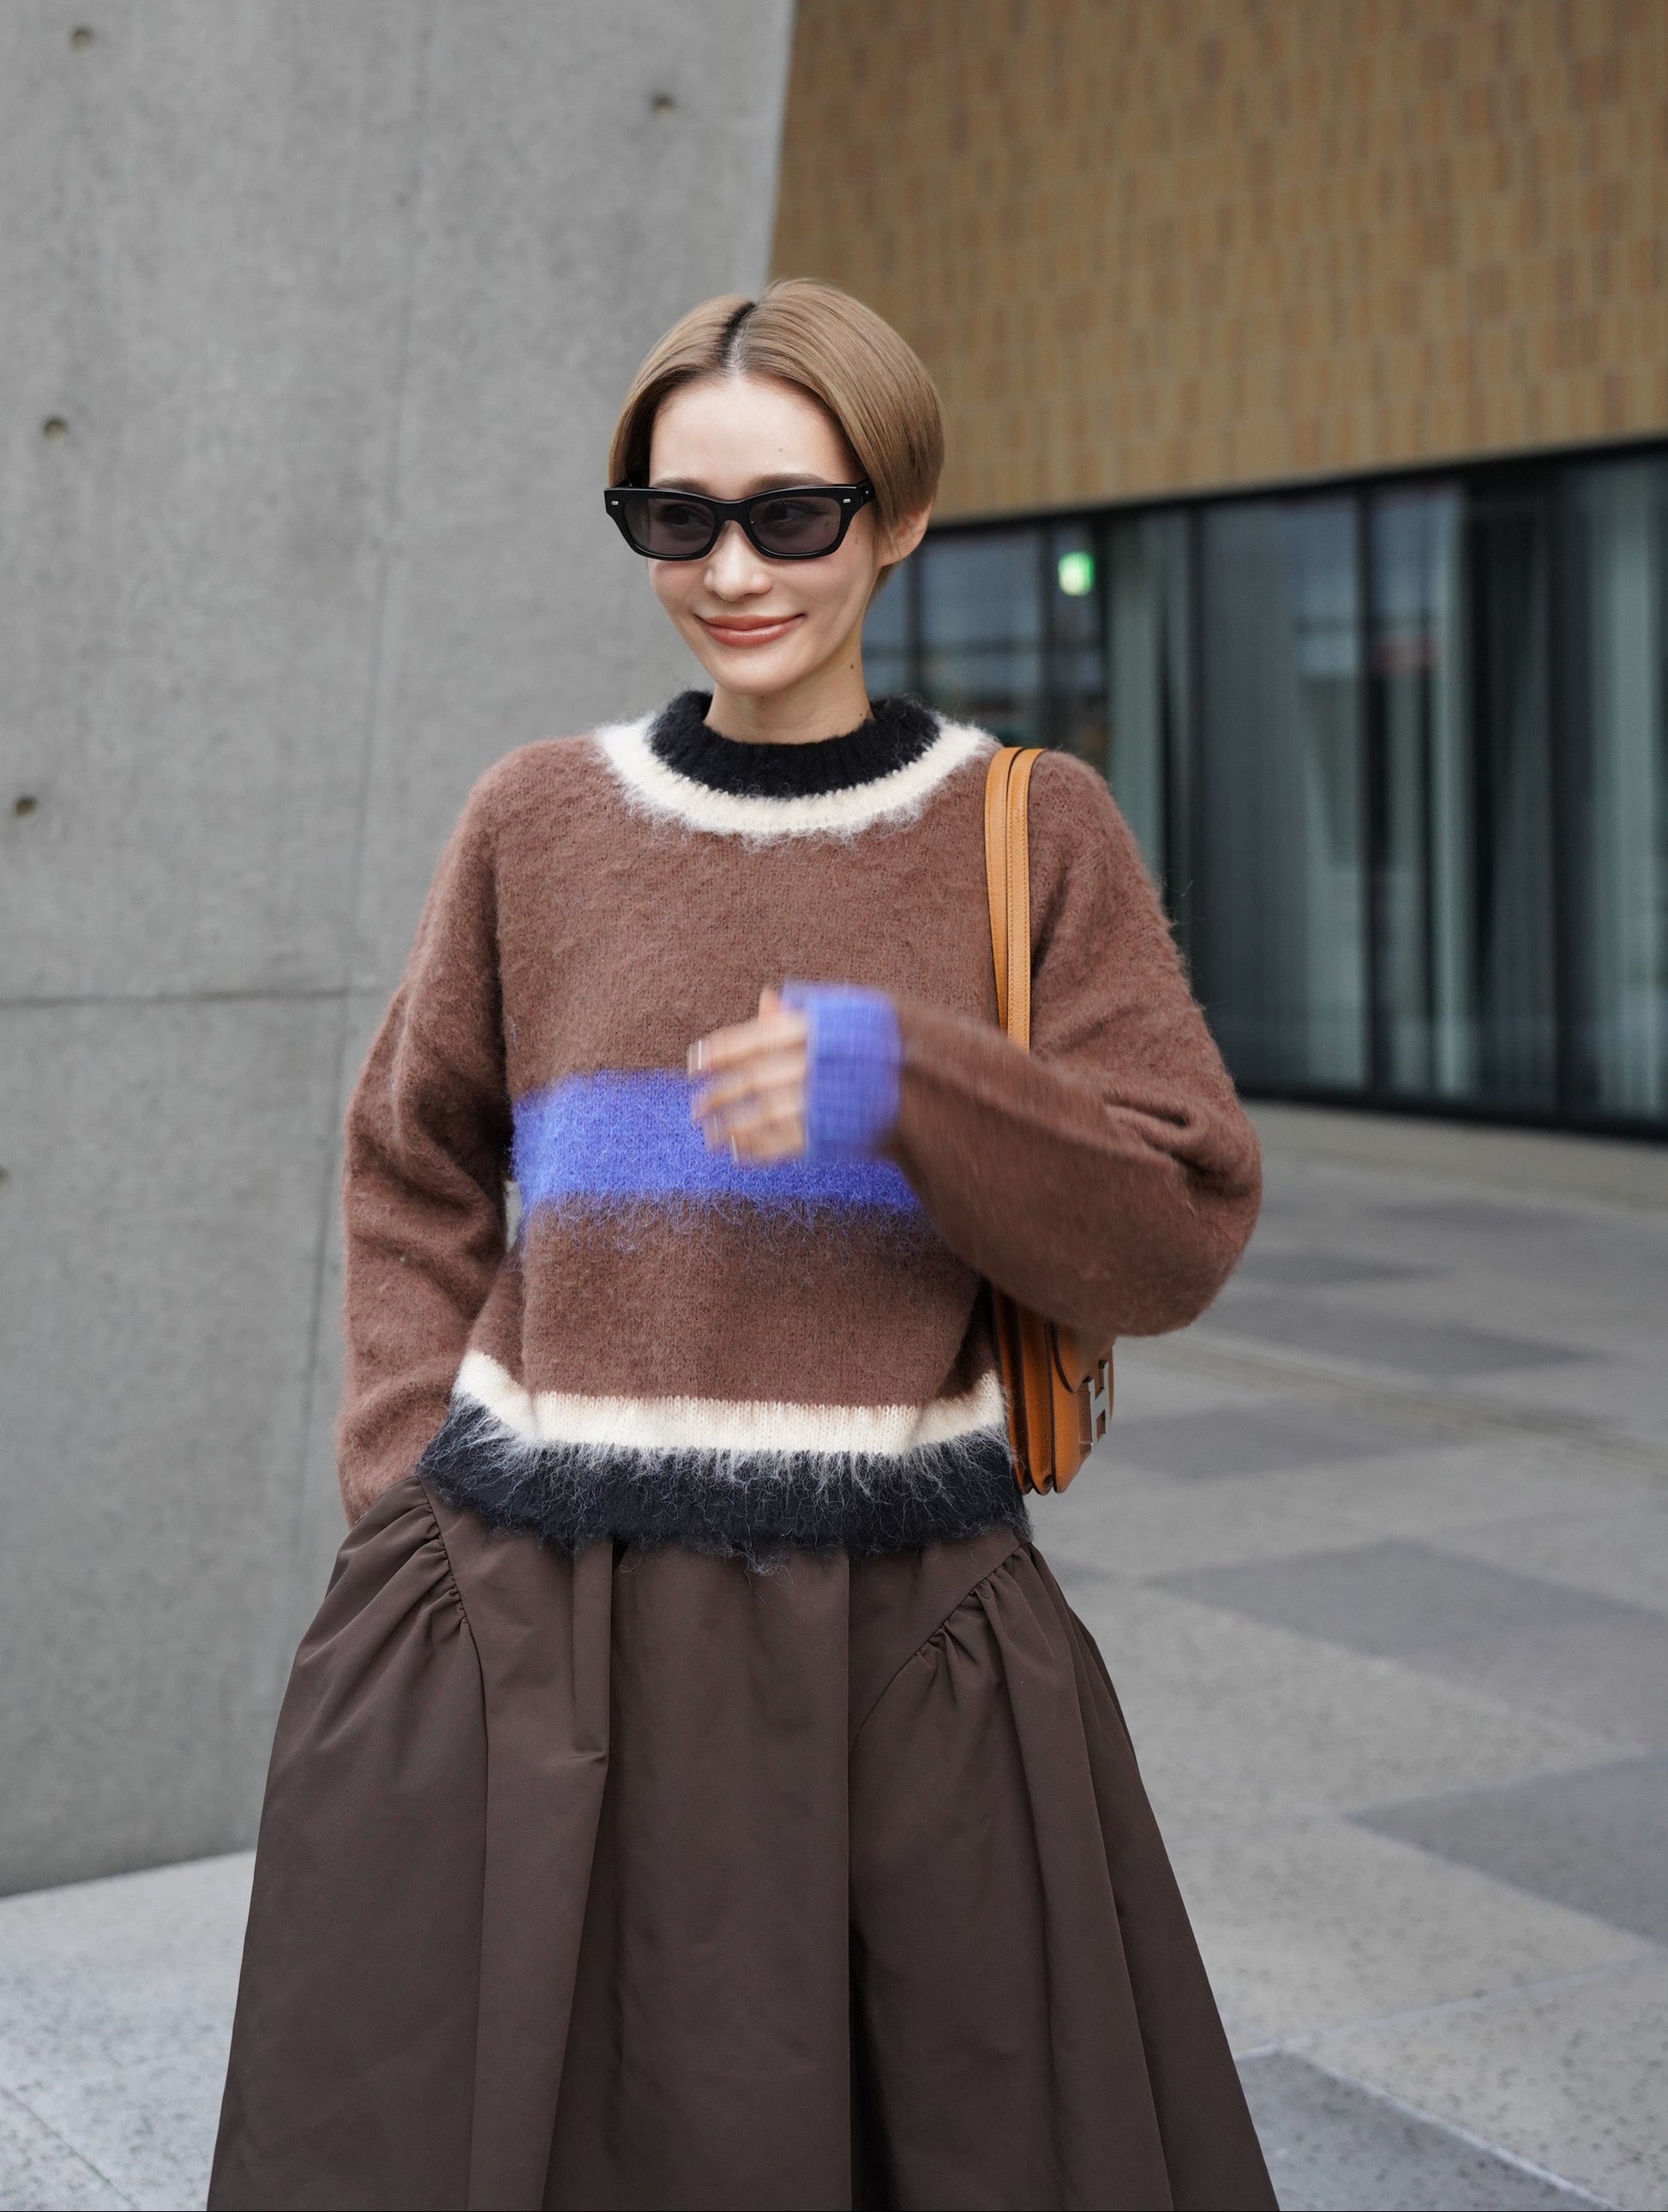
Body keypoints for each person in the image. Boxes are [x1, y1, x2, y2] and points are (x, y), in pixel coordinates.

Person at [210, 280, 1275, 2212]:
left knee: (941, 2133)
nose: (730, 570)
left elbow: (1175, 1226)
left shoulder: (1030, 832)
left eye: (790, 513)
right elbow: (411, 1156)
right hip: (538, 1612)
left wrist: (907, 1086)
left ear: (899, 514)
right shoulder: (538, 819)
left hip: (897, 1627)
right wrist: (405, 1491)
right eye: (674, 516)